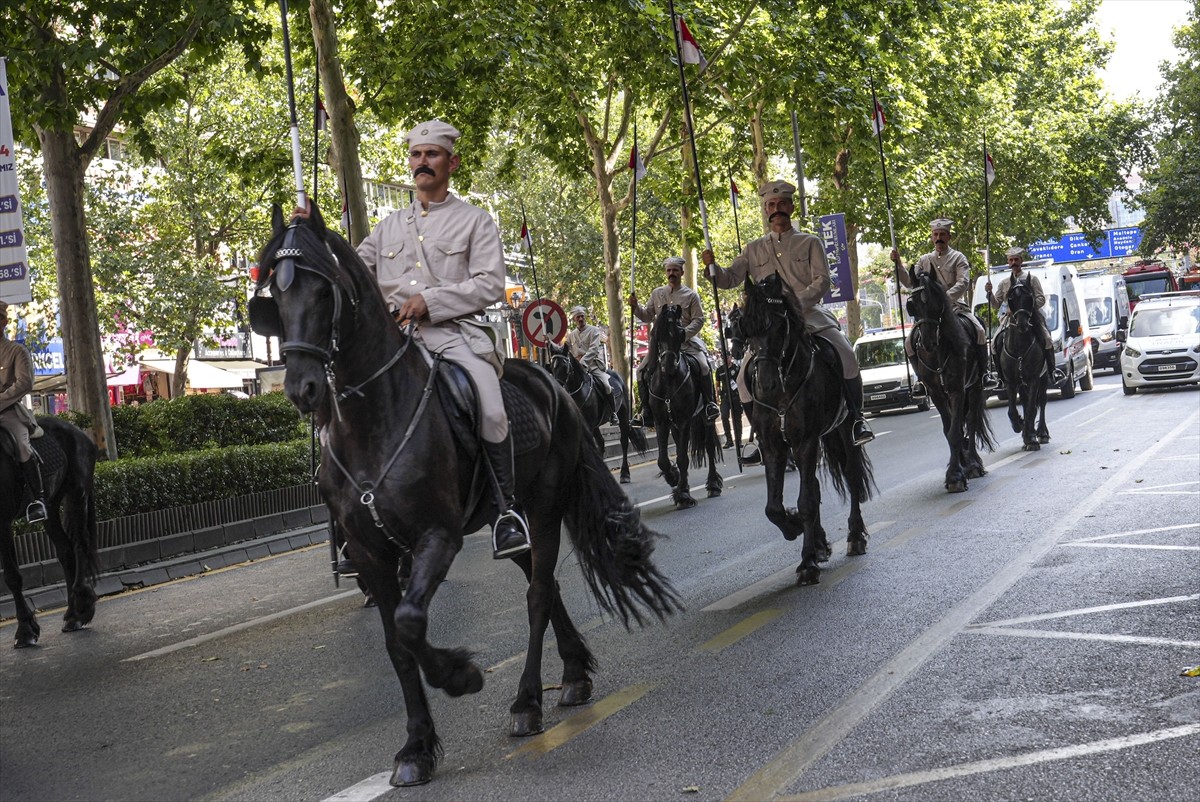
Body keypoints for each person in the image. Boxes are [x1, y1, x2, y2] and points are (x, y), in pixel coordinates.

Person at [302, 119, 528, 561]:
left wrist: (432, 301)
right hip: (391, 341)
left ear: (451, 163)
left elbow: (489, 284)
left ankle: (506, 512)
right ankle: (352, 521)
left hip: (454, 336)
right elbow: (347, 273)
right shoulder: (388, 227)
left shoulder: (475, 221)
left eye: (432, 154)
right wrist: (313, 235)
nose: (422, 162)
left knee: (491, 409)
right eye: (416, 155)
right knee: (336, 413)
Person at [701, 180, 874, 446]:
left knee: (847, 355)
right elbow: (730, 278)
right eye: (771, 205)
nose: (777, 209)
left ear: (791, 208)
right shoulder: (753, 248)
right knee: (743, 379)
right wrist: (713, 268)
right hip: (770, 324)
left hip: (809, 315)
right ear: (766, 211)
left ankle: (856, 418)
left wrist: (792, 303)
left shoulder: (810, 242)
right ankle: (758, 437)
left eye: (782, 204)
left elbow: (822, 281)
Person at [891, 218, 998, 393]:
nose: (938, 238)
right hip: (930, 312)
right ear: (932, 238)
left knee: (979, 330)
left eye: (942, 234)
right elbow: (910, 282)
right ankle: (920, 380)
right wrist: (899, 265)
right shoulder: (924, 260)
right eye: (935, 235)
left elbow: (963, 282)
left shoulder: (958, 257)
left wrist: (943, 299)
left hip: (955, 306)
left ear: (949, 237)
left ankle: (984, 373)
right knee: (909, 343)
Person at [628, 256, 720, 422]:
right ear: (666, 273)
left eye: (675, 270)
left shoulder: (691, 295)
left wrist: (683, 334)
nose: (672, 273)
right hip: (662, 347)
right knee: (640, 370)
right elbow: (647, 316)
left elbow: (699, 320)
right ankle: (645, 410)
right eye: (669, 270)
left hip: (686, 344)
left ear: (682, 272)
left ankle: (709, 404)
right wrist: (635, 307)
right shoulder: (657, 293)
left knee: (704, 366)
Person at [985, 246, 1065, 386]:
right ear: (1008, 262)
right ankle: (1000, 378)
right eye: (1011, 260)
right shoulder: (1004, 283)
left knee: (1047, 339)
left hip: (1031, 317)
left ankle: (1053, 372)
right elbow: (996, 304)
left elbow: (1041, 299)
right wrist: (989, 294)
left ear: (1021, 261)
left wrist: (1027, 308)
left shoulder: (1032, 279)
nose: (1014, 262)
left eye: (1016, 259)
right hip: (1009, 319)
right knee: (993, 344)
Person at [0, 302, 47, 523]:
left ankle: (37, 501)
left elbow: (25, 383)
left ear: (3, 322)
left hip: (8, 412)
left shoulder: (16, 351)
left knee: (22, 445)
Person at [714, 351, 743, 449]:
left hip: (735, 396)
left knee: (737, 418)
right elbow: (717, 384)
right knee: (724, 416)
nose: (726, 359)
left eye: (727, 357)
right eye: (723, 358)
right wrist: (717, 395)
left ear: (731, 357)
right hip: (725, 396)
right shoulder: (720, 370)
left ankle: (738, 440)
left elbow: (741, 382)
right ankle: (729, 440)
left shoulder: (736, 368)